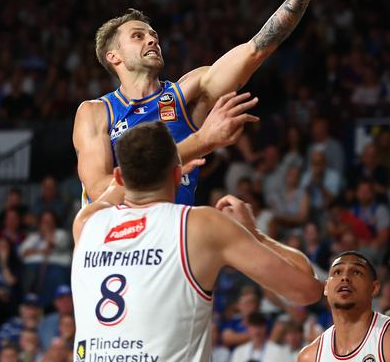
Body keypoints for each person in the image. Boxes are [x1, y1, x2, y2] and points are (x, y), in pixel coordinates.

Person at [73, 0, 340, 206]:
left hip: (172, 238)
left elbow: (256, 48)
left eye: (154, 35)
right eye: (138, 36)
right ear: (113, 56)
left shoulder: (188, 93)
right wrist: (200, 143)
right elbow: (99, 189)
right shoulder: (95, 112)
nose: (152, 40)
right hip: (115, 242)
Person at [72, 122, 322, 361]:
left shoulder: (86, 223)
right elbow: (306, 290)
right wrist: (255, 234)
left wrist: (184, 151)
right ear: (179, 175)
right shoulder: (200, 225)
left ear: (118, 176)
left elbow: (107, 194)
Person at [298, 251, 390, 362]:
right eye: (337, 272)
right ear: (326, 287)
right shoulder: (309, 357)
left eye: (356, 272)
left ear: (374, 288)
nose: (345, 277)